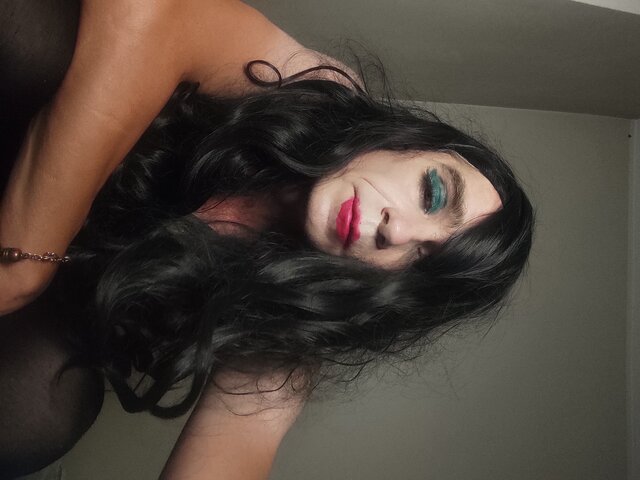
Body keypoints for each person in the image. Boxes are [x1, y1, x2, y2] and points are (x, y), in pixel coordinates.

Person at [0, 0, 534, 478]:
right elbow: (151, 9)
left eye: (421, 257)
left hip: (36, 285)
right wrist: (26, 263)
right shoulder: (314, 86)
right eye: (433, 192)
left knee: (41, 413)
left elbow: (234, 458)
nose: (398, 231)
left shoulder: (294, 321)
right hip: (21, 124)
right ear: (408, 142)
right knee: (36, 37)